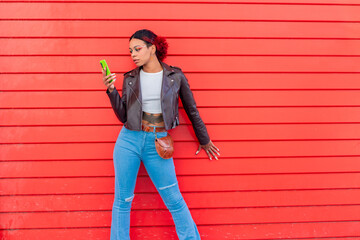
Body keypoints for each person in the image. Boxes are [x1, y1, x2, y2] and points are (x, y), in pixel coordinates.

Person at [102, 29, 220, 240]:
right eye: (130, 51)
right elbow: (123, 116)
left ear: (153, 48)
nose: (133, 55)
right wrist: (111, 90)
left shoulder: (175, 76)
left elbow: (191, 110)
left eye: (137, 49)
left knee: (173, 198)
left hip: (158, 142)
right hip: (128, 140)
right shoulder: (130, 78)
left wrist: (204, 139)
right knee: (122, 200)